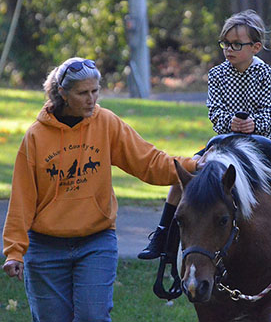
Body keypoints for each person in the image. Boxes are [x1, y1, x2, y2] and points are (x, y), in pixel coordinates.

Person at [2, 57, 203, 322]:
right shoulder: (36, 136)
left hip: (95, 241)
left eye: (95, 91)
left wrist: (191, 165)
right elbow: (22, 198)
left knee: (93, 317)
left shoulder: (105, 122)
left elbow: (147, 161)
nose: (91, 99)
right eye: (82, 93)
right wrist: (14, 250)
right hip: (46, 247)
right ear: (62, 93)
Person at [138, 9, 271, 261]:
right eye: (225, 43)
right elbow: (214, 112)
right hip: (224, 142)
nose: (229, 49)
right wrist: (231, 123)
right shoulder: (217, 75)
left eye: (237, 44)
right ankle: (162, 238)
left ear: (255, 47)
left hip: (264, 141)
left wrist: (254, 124)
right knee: (181, 180)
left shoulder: (266, 74)